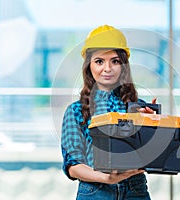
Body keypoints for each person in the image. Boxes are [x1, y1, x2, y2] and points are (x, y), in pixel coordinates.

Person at [61, 25, 156, 200]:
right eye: (99, 61)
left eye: (115, 61)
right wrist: (106, 178)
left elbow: (152, 157)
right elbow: (73, 166)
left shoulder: (139, 109)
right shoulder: (75, 111)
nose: (107, 68)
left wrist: (153, 127)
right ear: (89, 66)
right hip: (95, 193)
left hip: (136, 192)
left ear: (123, 65)